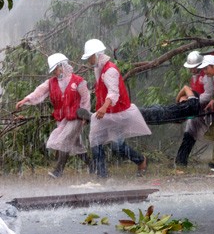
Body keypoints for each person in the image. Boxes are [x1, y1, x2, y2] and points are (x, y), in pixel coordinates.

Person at [80, 39, 151, 178]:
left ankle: (141, 160)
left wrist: (104, 107)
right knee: (96, 140)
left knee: (115, 145)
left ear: (97, 54)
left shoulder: (110, 70)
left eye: (90, 57)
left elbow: (114, 92)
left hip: (118, 113)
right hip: (108, 113)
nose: (89, 61)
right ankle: (102, 175)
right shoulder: (99, 69)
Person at [15, 53, 93, 178]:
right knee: (75, 145)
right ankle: (93, 165)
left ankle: (58, 171)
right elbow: (38, 92)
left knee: (64, 140)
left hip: (76, 117)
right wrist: (25, 100)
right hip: (62, 119)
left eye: (56, 69)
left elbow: (85, 99)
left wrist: (85, 116)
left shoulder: (78, 81)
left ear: (62, 66)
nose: (55, 73)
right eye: (54, 71)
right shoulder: (51, 83)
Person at [174, 51, 214, 167]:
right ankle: (181, 161)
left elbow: (209, 94)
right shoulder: (194, 77)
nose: (192, 70)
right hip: (196, 110)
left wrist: (193, 101)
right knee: (189, 134)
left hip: (207, 111)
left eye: (194, 67)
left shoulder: (206, 77)